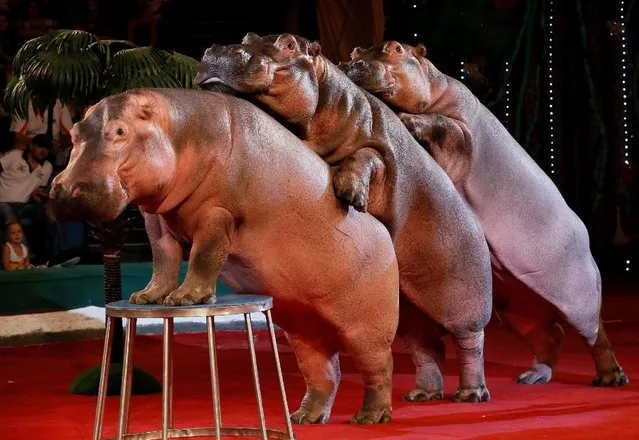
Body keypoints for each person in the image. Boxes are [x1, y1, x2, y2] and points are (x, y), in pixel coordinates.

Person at [0, 134, 58, 265]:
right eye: (40, 147)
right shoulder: (15, 156)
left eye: (47, 148)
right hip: (2, 203)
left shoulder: (47, 167)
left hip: (24, 205)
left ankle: (51, 257)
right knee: (8, 211)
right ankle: (26, 259)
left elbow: (38, 192)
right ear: (31, 146)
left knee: (48, 213)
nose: (43, 151)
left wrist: (37, 196)